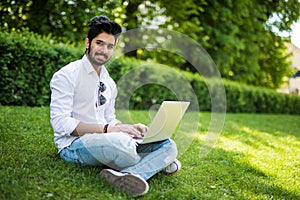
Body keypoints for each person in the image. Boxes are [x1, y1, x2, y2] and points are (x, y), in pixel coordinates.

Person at [49, 16, 181, 197]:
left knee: (169, 145)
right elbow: (61, 124)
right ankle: (156, 163)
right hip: (73, 146)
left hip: (107, 140)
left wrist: (129, 129)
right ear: (88, 43)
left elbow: (109, 119)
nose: (104, 51)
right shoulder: (66, 75)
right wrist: (110, 130)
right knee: (123, 146)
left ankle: (130, 174)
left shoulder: (109, 82)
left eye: (110, 46)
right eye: (99, 43)